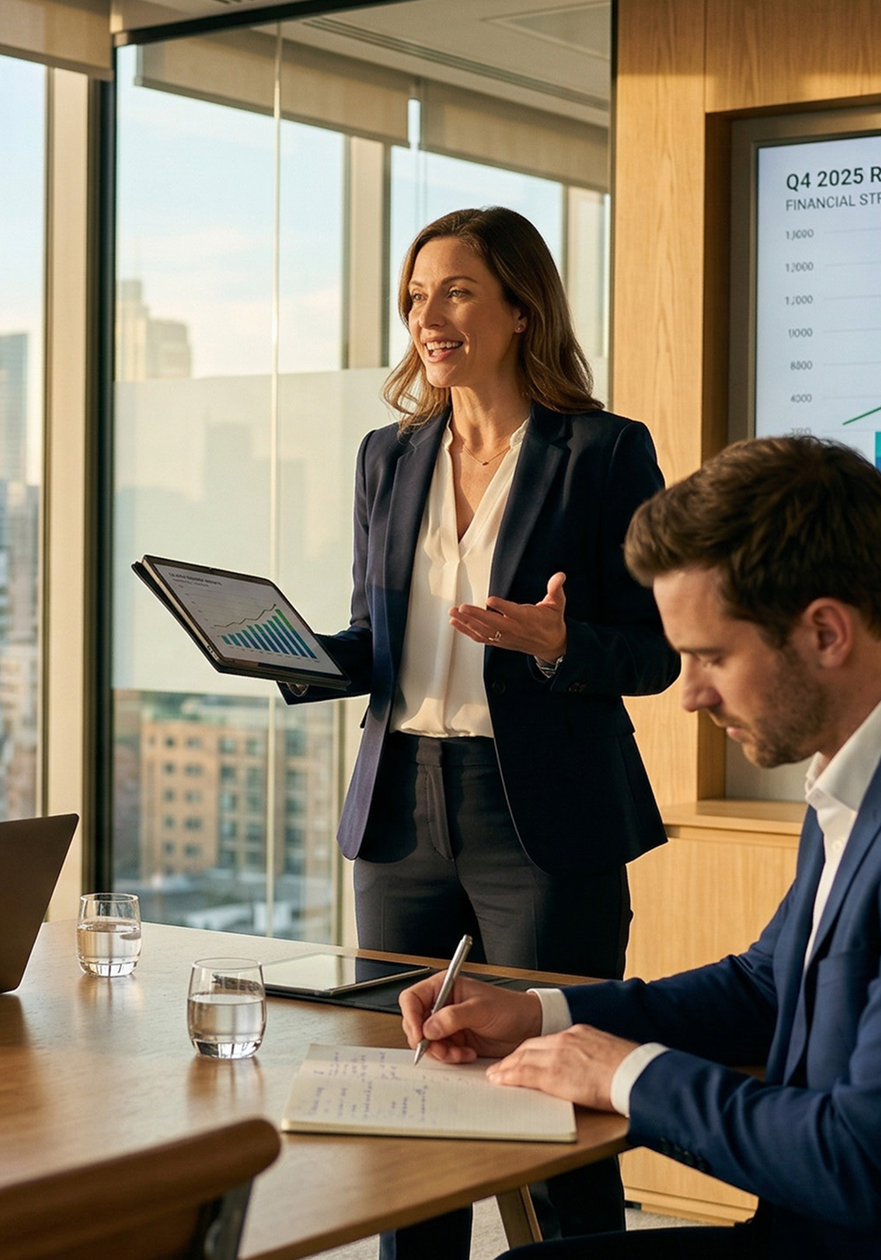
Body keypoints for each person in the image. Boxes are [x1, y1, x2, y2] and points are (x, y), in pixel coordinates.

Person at [401, 436, 881, 1259]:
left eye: (711, 657)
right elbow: (769, 983)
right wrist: (538, 1016)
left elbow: (865, 1162)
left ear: (825, 633)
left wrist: (621, 1074)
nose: (691, 696)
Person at [285, 206, 679, 1252]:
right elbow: (379, 640)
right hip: (400, 810)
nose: (429, 315)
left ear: (518, 306)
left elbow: (658, 649)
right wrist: (285, 651)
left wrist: (557, 642)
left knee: (551, 1106)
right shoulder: (389, 454)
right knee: (405, 1113)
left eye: (455, 291)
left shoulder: (601, 452)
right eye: (416, 295)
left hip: (539, 815)